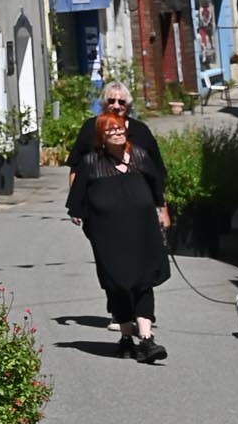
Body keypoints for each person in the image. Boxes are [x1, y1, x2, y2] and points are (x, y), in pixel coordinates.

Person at [67, 104, 170, 360]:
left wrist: (163, 211)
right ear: (101, 136)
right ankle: (126, 338)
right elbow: (76, 199)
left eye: (119, 127)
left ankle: (146, 339)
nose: (117, 132)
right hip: (108, 236)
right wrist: (81, 217)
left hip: (143, 231)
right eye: (110, 129)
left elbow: (157, 188)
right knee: (119, 285)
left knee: (144, 281)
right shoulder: (92, 163)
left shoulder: (139, 156)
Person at [67, 79, 166, 194]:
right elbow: (75, 167)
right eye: (111, 101)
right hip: (98, 199)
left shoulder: (140, 130)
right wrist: (76, 200)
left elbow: (157, 170)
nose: (116, 106)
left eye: (121, 102)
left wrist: (161, 207)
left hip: (136, 199)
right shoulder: (90, 128)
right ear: (104, 103)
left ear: (127, 105)